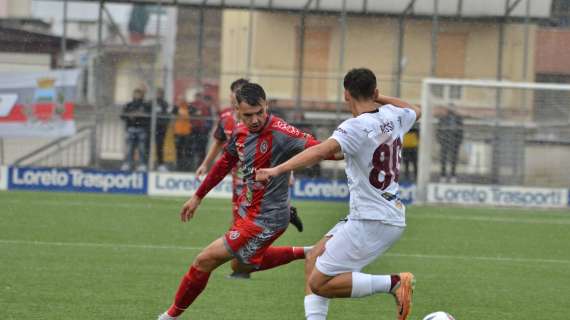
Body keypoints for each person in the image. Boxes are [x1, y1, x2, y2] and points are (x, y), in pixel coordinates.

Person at [157, 83, 334, 320]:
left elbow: (323, 150)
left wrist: (349, 146)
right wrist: (197, 196)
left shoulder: (282, 132)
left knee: (204, 260)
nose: (255, 120)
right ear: (237, 111)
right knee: (242, 266)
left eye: (259, 112)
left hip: (266, 218)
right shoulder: (240, 132)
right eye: (248, 115)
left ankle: (168, 317)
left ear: (266, 105)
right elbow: (224, 164)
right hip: (247, 212)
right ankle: (309, 251)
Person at [256, 68, 421, 320]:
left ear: (346, 94)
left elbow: (322, 151)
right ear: (374, 92)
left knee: (320, 283)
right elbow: (415, 109)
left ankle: (394, 283)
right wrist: (380, 98)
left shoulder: (355, 126)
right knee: (314, 257)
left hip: (373, 220)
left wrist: (278, 169)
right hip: (377, 215)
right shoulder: (393, 116)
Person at [195, 79, 304, 248]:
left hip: (261, 174)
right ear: (233, 98)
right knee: (239, 218)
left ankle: (240, 249)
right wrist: (205, 164)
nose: (254, 119)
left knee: (246, 224)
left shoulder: (272, 125)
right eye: (234, 92)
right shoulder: (226, 120)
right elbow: (219, 146)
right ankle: (240, 250)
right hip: (239, 174)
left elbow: (290, 150)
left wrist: (289, 172)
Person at [120, 88, 151, 171]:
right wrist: (129, 116)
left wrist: (141, 116)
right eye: (135, 94)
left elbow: (149, 116)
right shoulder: (129, 104)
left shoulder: (145, 105)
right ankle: (128, 164)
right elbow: (122, 116)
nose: (137, 96)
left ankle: (142, 164)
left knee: (142, 148)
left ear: (142, 95)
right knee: (129, 148)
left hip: (141, 129)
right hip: (131, 129)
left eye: (139, 94)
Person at [188, 93, 214, 171]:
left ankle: (200, 166)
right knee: (192, 149)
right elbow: (190, 116)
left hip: (202, 132)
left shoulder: (206, 108)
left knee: (201, 150)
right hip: (194, 131)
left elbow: (209, 120)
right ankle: (192, 166)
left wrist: (206, 128)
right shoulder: (193, 105)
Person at [437, 108, 463, 183]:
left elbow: (461, 131)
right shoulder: (443, 119)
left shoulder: (458, 119)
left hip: (454, 142)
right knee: (443, 159)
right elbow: (439, 130)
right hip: (445, 141)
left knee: (453, 160)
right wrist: (440, 140)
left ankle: (453, 175)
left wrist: (459, 141)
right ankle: (443, 175)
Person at [172, 96, 193, 172]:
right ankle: (179, 166)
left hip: (186, 132)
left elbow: (195, 112)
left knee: (187, 150)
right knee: (179, 150)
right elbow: (173, 113)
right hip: (178, 132)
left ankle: (186, 166)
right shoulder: (177, 108)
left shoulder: (188, 108)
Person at [153, 88, 171, 172]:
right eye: (158, 93)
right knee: (146, 146)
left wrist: (164, 124)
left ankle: (160, 164)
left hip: (160, 128)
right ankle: (145, 163)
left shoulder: (165, 104)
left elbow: (168, 115)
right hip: (151, 128)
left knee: (159, 146)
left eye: (160, 93)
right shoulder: (152, 103)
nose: (159, 95)